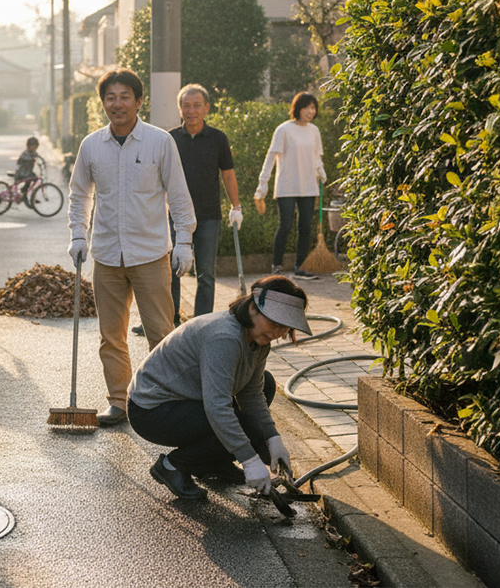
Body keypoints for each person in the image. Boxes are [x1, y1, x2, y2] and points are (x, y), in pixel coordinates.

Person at [67, 68, 196, 427]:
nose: (117, 103)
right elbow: (79, 194)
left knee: (161, 333)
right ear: (103, 103)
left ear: (139, 101)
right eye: (111, 97)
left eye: (125, 97)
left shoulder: (159, 142)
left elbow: (179, 195)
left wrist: (184, 242)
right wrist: (78, 235)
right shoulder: (92, 145)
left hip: (151, 254)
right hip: (106, 254)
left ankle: (167, 400)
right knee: (111, 336)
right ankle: (119, 401)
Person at [128, 275, 312, 500]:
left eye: (284, 328)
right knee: (241, 426)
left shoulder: (258, 340)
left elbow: (251, 393)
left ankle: (212, 463)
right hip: (152, 409)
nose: (276, 333)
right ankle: (172, 466)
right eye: (273, 323)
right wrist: (249, 459)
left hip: (188, 399)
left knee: (266, 385)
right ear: (253, 308)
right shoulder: (224, 337)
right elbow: (217, 408)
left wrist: (273, 438)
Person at [132, 84, 241, 336]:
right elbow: (154, 177)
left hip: (208, 215)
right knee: (169, 272)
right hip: (173, 216)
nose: (190, 110)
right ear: (179, 109)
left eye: (196, 105)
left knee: (206, 274)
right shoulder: (169, 139)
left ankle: (200, 325)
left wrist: (236, 207)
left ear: (206, 108)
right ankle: (167, 321)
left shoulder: (218, 139)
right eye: (185, 105)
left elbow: (228, 175)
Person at [254, 92, 327, 280]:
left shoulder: (314, 131)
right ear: (298, 108)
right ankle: (276, 266)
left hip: (308, 186)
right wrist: (263, 184)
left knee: (305, 227)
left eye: (314, 108)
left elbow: (316, 156)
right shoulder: (284, 129)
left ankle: (300, 267)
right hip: (287, 185)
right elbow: (271, 157)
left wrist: (321, 171)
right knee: (285, 225)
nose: (311, 111)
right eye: (307, 107)